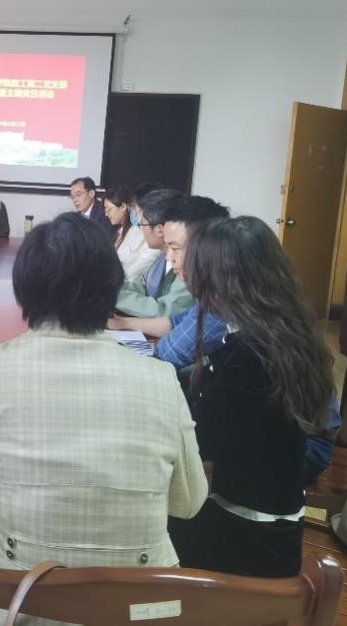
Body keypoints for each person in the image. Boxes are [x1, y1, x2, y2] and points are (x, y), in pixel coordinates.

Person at [0, 213, 207, 626]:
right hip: (134, 607)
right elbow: (187, 502)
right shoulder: (160, 378)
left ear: (24, 291)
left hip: (12, 602)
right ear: (110, 289)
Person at [167, 216, 334, 578]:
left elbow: (201, 441)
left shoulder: (252, 359)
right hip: (272, 526)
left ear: (221, 280)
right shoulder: (285, 334)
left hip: (248, 540)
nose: (186, 275)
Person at [109, 195, 229, 370]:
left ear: (206, 247)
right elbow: (174, 322)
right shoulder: (211, 293)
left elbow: (166, 354)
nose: (169, 257)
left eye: (175, 248)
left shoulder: (219, 306)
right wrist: (122, 323)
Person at [112, 188, 185, 305]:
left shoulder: (186, 264)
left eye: (142, 224)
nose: (140, 229)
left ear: (159, 229)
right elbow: (142, 286)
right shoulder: (162, 256)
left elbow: (163, 309)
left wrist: (110, 295)